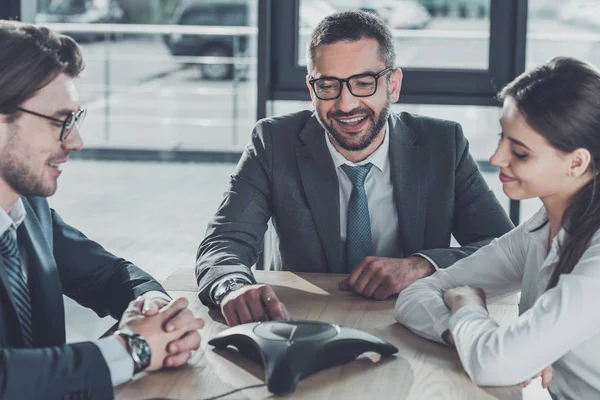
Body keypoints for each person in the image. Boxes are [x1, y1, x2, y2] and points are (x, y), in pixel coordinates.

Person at [196, 10, 513, 327]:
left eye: (364, 83)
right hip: (300, 325)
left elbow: (504, 248)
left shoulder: (444, 144)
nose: (346, 104)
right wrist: (232, 286)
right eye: (329, 85)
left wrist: (422, 266)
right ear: (311, 89)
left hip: (412, 324)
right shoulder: (273, 142)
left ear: (393, 84)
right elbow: (223, 242)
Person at [0, 21, 204, 399]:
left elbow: (107, 274)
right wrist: (130, 351)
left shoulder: (26, 208)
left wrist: (153, 310)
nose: (76, 141)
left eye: (75, 120)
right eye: (60, 122)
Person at [395, 56, 600, 399]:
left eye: (519, 153)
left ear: (576, 162)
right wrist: (470, 334)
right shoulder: (540, 228)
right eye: (502, 138)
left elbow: (493, 362)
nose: (496, 159)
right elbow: (414, 296)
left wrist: (467, 307)